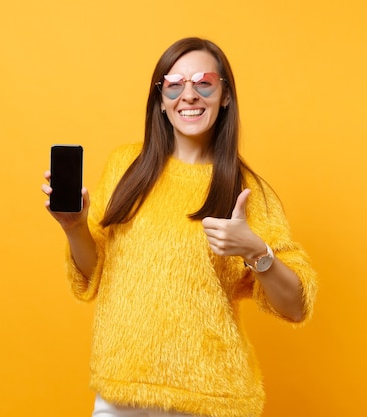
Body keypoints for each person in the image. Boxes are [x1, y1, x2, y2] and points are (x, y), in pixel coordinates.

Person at [42, 37, 318, 417]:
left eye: (204, 82)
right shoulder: (126, 166)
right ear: (160, 100)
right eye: (174, 85)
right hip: (121, 394)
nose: (189, 95)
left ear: (224, 96)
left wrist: (256, 251)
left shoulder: (247, 190)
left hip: (211, 401)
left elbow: (296, 307)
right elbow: (94, 273)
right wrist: (74, 227)